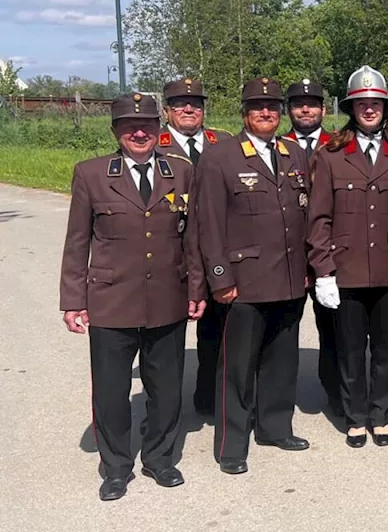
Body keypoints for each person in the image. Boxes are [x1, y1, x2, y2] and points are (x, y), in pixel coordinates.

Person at [59, 93, 204, 501]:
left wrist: (196, 287)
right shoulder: (89, 174)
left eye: (146, 126)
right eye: (128, 126)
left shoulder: (182, 172)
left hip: (167, 298)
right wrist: (73, 299)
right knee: (110, 391)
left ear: (159, 131)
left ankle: (159, 458)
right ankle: (116, 466)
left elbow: (191, 238)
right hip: (110, 301)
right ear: (115, 132)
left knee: (166, 387)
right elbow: (76, 242)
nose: (138, 132)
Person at [196, 77, 311, 475]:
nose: (266, 112)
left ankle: (275, 427)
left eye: (273, 107)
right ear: (244, 112)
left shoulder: (294, 153)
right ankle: (231, 444)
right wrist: (219, 277)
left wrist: (310, 270)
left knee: (282, 359)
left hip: (291, 278)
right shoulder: (220, 157)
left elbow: (304, 215)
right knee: (237, 367)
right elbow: (207, 224)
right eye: (258, 106)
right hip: (243, 283)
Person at [306, 66, 388, 448]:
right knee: (350, 350)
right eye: (361, 104)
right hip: (347, 271)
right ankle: (354, 416)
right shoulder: (331, 156)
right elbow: (318, 218)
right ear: (351, 107)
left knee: (387, 349)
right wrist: (323, 270)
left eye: (376, 104)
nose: (369, 109)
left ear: (386, 107)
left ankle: (380, 412)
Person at [155, 77, 231, 417]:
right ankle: (163, 411)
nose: (189, 109)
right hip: (171, 253)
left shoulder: (224, 141)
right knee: (165, 335)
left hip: (217, 250)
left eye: (196, 104)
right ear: (167, 110)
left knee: (218, 330)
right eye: (181, 104)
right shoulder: (151, 143)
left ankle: (211, 395)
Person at [283, 78, 339, 413]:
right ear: (288, 109)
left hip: (326, 253)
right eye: (298, 104)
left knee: (334, 330)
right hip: (287, 254)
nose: (306, 109)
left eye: (313, 103)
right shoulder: (275, 145)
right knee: (282, 333)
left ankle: (335, 392)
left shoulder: (338, 145)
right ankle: (278, 399)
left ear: (322, 107)